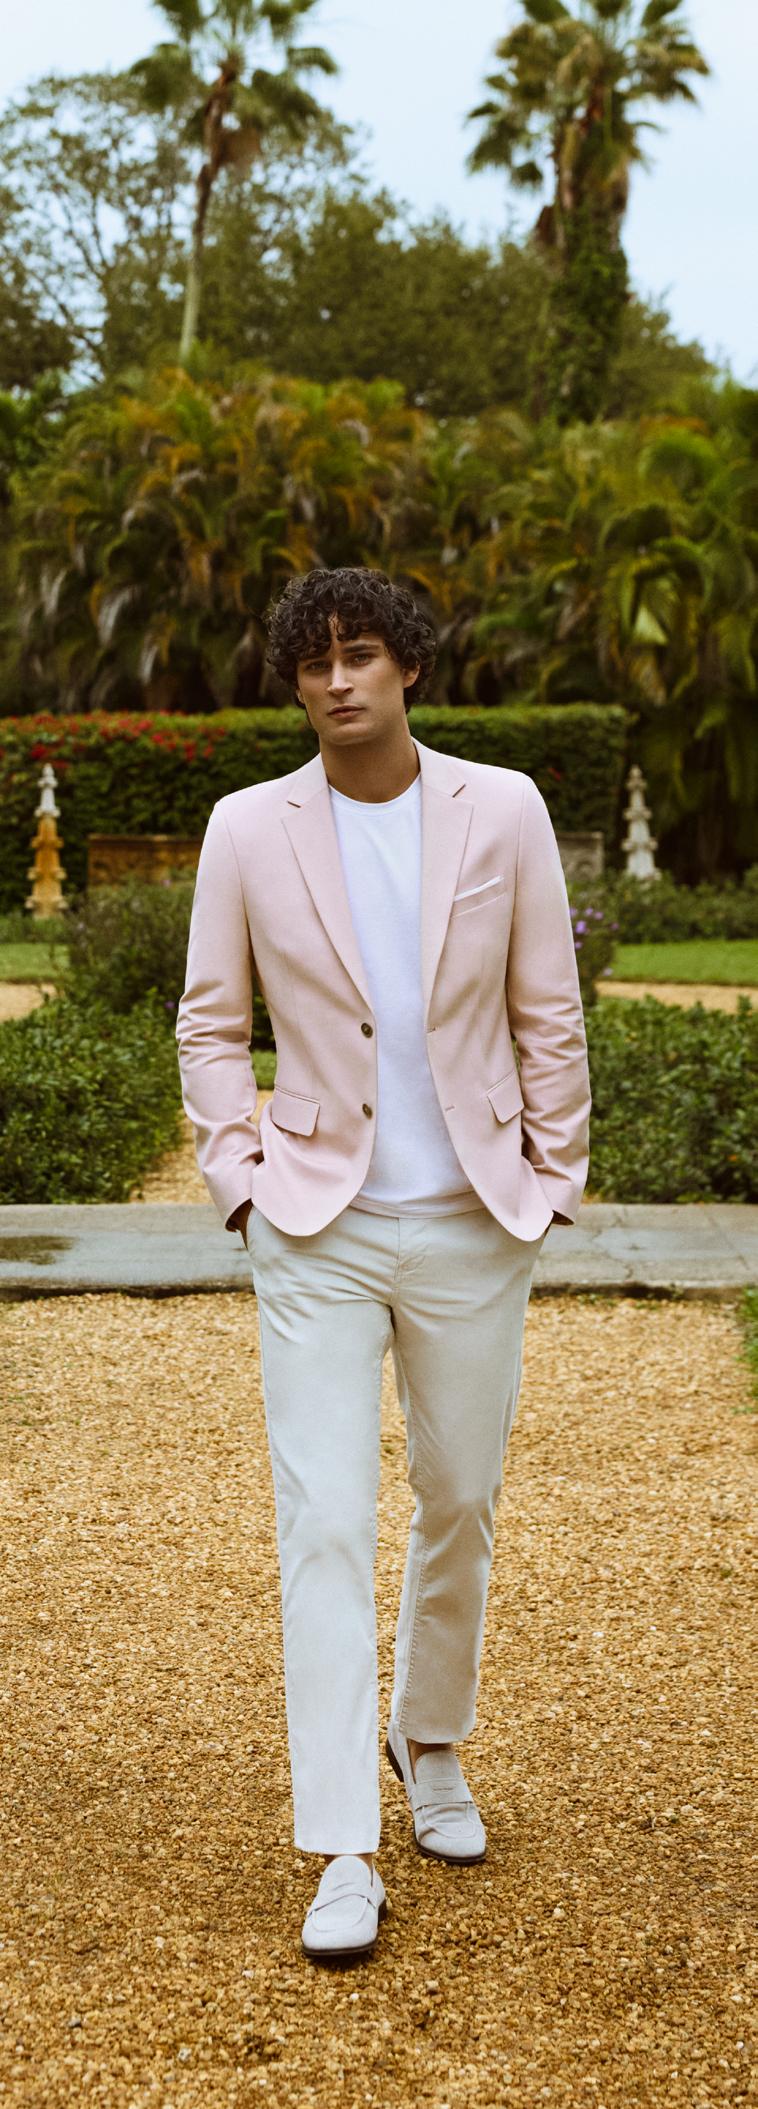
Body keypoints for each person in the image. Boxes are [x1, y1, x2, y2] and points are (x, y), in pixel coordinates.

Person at [176, 564, 591, 1965]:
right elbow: (210, 1022)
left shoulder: (504, 807)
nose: (337, 679)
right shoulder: (248, 826)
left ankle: (432, 1739)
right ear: (294, 681)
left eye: (361, 654)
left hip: (474, 1215)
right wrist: (241, 1178)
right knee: (324, 1522)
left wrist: (552, 1177)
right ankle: (342, 1841)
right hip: (315, 1222)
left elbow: (548, 1008)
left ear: (409, 665)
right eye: (315, 661)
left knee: (458, 1497)